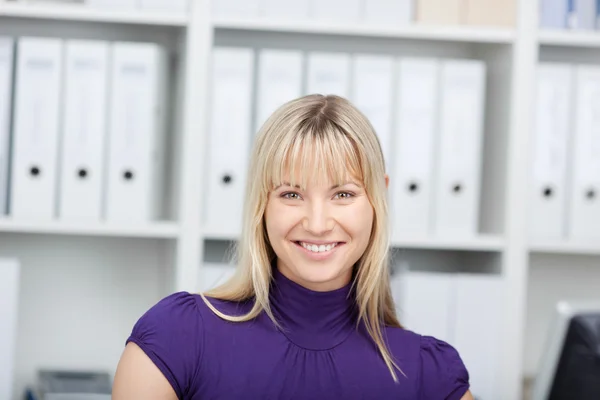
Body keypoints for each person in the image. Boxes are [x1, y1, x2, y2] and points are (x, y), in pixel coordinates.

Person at [112, 94, 473, 400]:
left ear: (378, 198)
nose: (317, 224)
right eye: (292, 194)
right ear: (262, 203)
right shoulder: (176, 339)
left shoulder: (431, 375)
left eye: (343, 194)